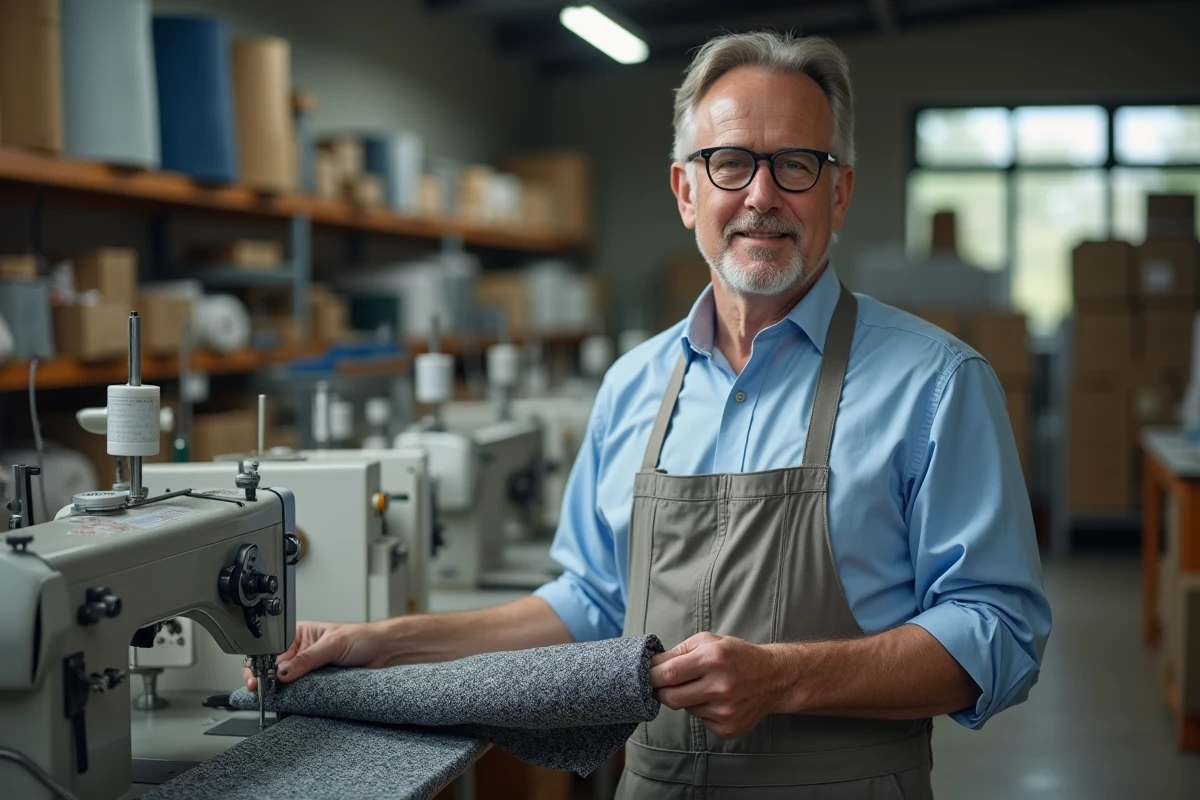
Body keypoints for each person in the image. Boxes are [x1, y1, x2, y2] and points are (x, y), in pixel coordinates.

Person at [248, 31, 1051, 798]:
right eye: (730, 163)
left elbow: (1000, 632)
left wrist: (785, 677)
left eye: (795, 165)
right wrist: (380, 642)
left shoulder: (935, 383)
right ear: (685, 192)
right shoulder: (634, 385)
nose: (762, 195)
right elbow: (590, 607)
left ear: (838, 193)